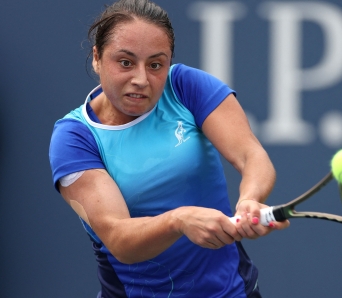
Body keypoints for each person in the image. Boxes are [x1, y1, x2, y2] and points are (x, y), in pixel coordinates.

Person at [48, 0, 289, 297]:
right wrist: (179, 220)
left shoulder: (186, 85)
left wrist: (250, 200)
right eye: (125, 62)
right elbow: (119, 237)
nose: (141, 79)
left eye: (155, 65)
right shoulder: (74, 137)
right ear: (97, 57)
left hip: (232, 291)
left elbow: (252, 156)